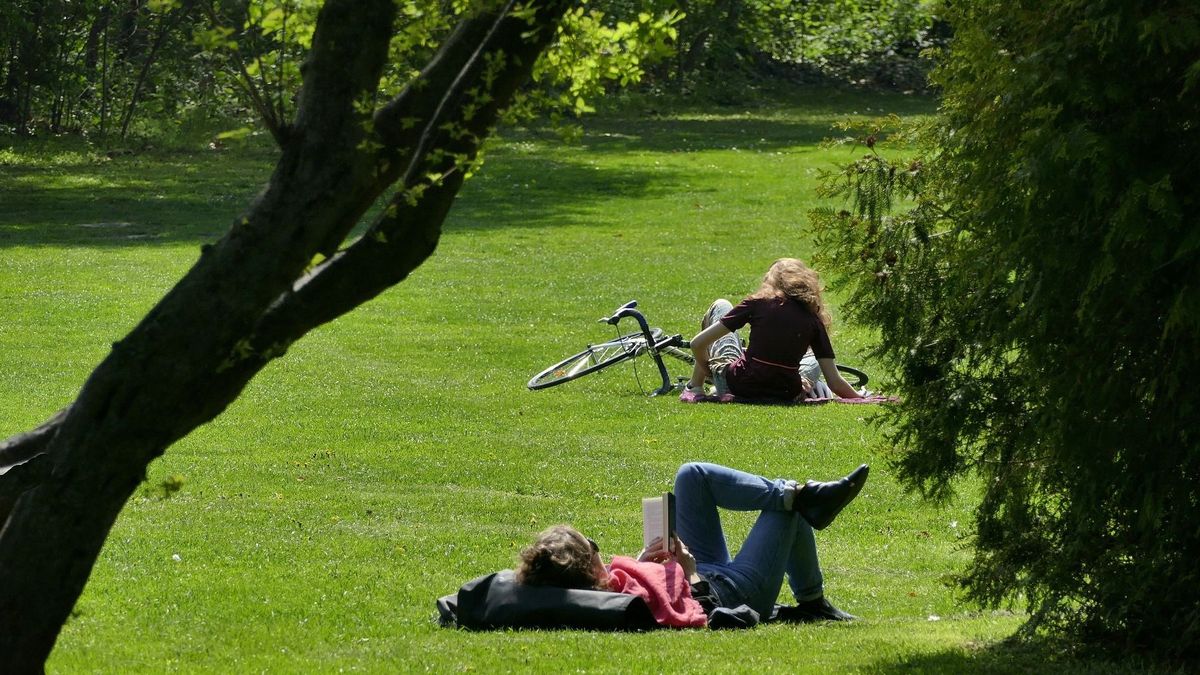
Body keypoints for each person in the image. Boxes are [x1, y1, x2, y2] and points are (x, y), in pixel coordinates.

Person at [515, 461, 869, 628]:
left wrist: (644, 562)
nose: (598, 548)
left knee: (691, 475)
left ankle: (795, 494)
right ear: (587, 568)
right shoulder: (624, 605)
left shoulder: (610, 587)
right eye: (591, 546)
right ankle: (812, 599)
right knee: (786, 514)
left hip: (708, 569)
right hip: (734, 591)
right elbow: (702, 614)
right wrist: (690, 572)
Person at [682, 257, 862, 403]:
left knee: (721, 305)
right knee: (814, 359)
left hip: (737, 385)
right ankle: (807, 385)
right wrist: (861, 398)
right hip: (785, 393)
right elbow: (835, 382)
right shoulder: (813, 320)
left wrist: (709, 371)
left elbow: (697, 344)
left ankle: (695, 386)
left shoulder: (757, 303)